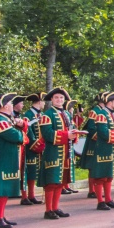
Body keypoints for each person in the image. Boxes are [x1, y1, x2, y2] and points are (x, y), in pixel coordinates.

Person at [0, 93, 29, 228]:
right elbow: (18, 137)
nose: (12, 105)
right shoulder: (0, 121)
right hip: (3, 159)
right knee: (2, 190)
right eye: (10, 103)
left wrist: (21, 125)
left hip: (7, 158)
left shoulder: (5, 120)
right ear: (4, 105)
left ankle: (1, 216)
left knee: (5, 190)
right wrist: (22, 132)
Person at [39, 87, 82, 219]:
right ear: (51, 100)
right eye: (57, 98)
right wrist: (66, 135)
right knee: (51, 183)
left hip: (66, 153)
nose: (59, 100)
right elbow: (47, 134)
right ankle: (48, 210)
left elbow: (72, 129)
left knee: (60, 182)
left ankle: (55, 207)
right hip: (53, 153)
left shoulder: (67, 114)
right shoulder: (47, 115)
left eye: (61, 98)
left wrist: (74, 134)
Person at [86, 91, 114, 210]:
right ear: (110, 102)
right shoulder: (102, 115)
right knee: (100, 177)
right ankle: (100, 202)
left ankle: (108, 199)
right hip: (103, 149)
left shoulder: (111, 114)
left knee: (109, 176)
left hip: (111, 149)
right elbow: (102, 133)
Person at [21, 92, 46, 206]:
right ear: (39, 101)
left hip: (38, 148)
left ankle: (32, 195)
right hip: (29, 148)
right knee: (27, 172)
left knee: (33, 172)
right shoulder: (28, 115)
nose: (44, 103)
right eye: (43, 101)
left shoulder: (40, 114)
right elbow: (28, 133)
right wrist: (36, 145)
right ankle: (25, 196)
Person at [64, 99, 83, 194]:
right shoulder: (65, 115)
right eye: (70, 108)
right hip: (64, 143)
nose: (71, 110)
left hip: (70, 143)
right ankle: (63, 185)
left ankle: (66, 185)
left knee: (69, 166)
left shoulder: (69, 116)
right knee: (65, 166)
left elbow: (76, 125)